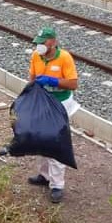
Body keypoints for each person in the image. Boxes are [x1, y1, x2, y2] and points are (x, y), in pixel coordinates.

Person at [27, 26, 79, 203]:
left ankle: (57, 184)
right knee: (41, 139)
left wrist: (52, 81)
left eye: (43, 42)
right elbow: (32, 78)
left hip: (60, 102)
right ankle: (44, 175)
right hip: (43, 101)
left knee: (55, 142)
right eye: (38, 42)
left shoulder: (64, 58)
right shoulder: (36, 56)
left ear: (53, 42)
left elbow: (72, 84)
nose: (40, 46)